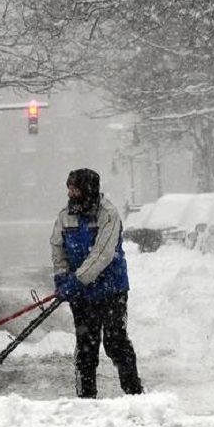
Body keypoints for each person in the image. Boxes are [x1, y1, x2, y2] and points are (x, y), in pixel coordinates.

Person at [50, 168, 143, 398]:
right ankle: (86, 397)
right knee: (86, 345)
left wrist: (77, 280)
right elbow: (57, 246)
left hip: (112, 290)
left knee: (115, 341)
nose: (71, 193)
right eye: (69, 189)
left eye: (75, 189)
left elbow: (102, 254)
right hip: (81, 294)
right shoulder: (65, 215)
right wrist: (62, 275)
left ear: (88, 190)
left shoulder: (108, 215)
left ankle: (134, 393)